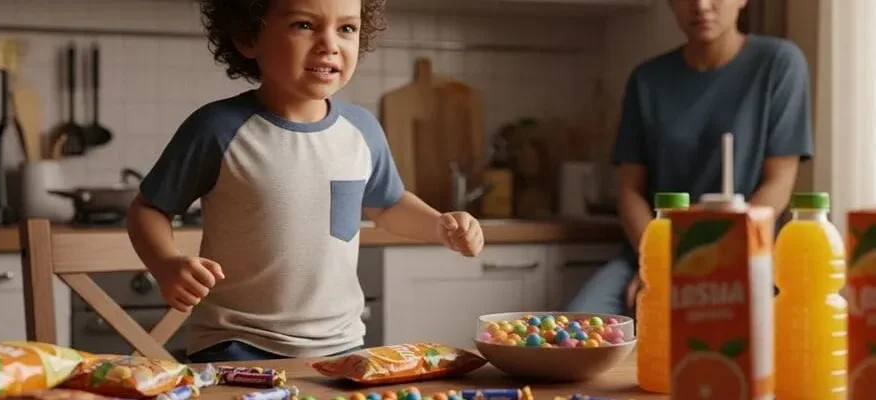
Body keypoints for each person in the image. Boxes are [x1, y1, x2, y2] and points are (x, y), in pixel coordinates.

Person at [126, 0, 485, 363]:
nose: (330, 44)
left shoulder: (363, 131)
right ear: (249, 37)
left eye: (346, 28)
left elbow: (388, 205)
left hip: (341, 348)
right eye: (304, 25)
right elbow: (148, 209)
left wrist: (440, 225)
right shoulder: (216, 129)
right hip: (235, 345)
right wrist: (166, 263)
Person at [565, 0, 813, 316]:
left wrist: (710, 260)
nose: (701, 5)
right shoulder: (647, 80)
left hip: (744, 253)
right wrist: (662, 260)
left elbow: (779, 182)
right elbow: (630, 191)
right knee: (580, 328)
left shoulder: (779, 64)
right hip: (653, 252)